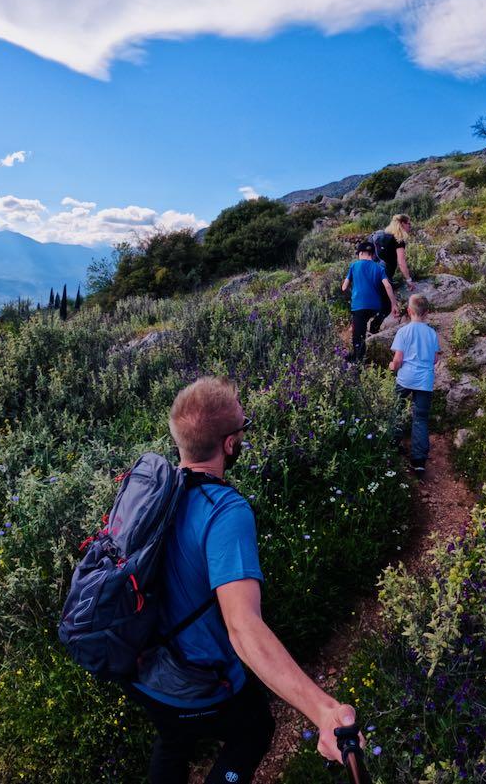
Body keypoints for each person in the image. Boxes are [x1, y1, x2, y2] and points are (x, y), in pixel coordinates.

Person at [125, 377, 360, 784]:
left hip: (143, 673)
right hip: (199, 683)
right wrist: (322, 709)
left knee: (173, 738)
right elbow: (243, 628)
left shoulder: (147, 494)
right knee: (254, 729)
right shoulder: (225, 511)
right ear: (230, 444)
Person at [389, 294, 440, 477]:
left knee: (397, 409)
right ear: (427, 313)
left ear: (409, 311)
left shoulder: (403, 332)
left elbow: (398, 359)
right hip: (424, 381)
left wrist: (392, 366)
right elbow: (434, 359)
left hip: (405, 379)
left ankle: (394, 444)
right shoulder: (432, 333)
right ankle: (419, 462)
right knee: (420, 418)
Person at [342, 241, 399, 362]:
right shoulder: (379, 267)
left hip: (358, 305)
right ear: (373, 255)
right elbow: (388, 286)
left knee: (358, 336)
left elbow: (344, 287)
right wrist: (394, 304)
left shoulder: (354, 266)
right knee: (367, 322)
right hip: (375, 307)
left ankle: (358, 360)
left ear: (361, 253)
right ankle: (375, 326)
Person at [369, 213, 416, 333]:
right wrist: (409, 280)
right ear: (402, 224)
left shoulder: (379, 236)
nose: (410, 226)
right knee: (386, 307)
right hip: (383, 277)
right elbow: (401, 262)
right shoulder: (398, 239)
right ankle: (373, 331)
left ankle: (360, 328)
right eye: (408, 224)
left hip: (369, 274)